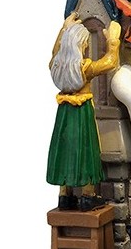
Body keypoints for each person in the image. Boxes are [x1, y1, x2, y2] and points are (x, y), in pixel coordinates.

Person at [46, 13, 121, 211]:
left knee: (65, 149)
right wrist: (113, 41)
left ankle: (65, 195)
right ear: (79, 45)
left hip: (64, 114)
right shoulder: (83, 69)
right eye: (85, 44)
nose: (87, 47)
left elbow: (55, 52)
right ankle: (88, 195)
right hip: (81, 113)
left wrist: (64, 29)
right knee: (85, 148)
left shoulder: (57, 66)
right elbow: (109, 62)